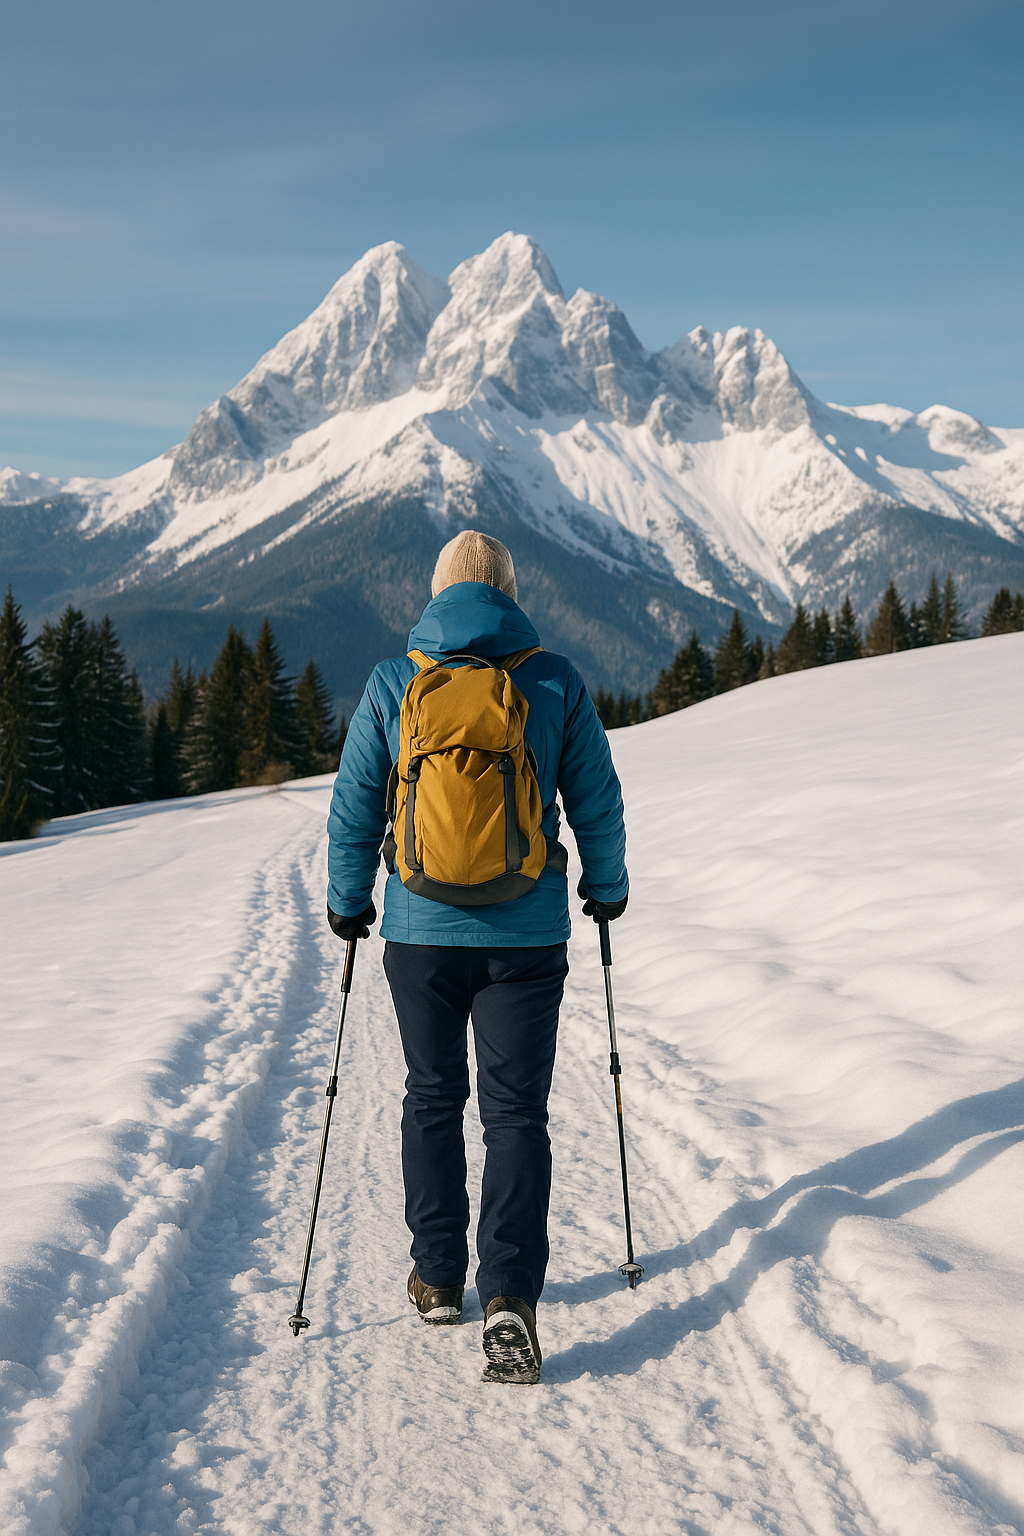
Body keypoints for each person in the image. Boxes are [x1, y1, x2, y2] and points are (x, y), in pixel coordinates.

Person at [326, 529, 628, 1384]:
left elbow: (354, 810)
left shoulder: (395, 681)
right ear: (510, 590)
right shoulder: (554, 679)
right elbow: (596, 802)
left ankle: (436, 1278)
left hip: (419, 935)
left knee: (431, 1094)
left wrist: (349, 903)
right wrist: (605, 889)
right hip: (528, 935)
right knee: (514, 1112)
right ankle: (509, 1300)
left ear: (436, 593)